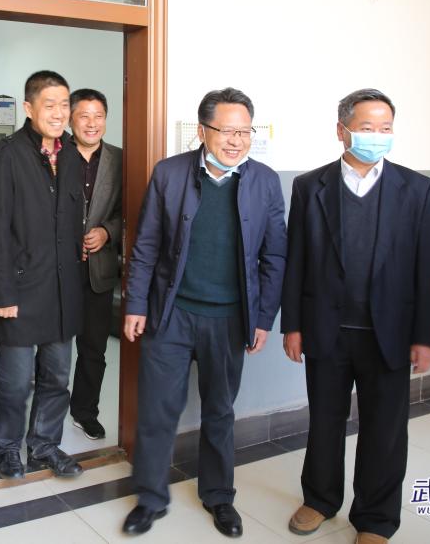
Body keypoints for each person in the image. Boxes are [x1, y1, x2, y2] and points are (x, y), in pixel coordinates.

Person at [122, 88, 287, 537]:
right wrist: (135, 304)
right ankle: (150, 499)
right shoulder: (169, 173)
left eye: (245, 132)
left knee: (219, 411)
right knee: (157, 410)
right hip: (171, 314)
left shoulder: (265, 181)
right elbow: (146, 244)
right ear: (202, 131)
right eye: (227, 131)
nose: (236, 141)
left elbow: (275, 256)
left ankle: (219, 497)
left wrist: (263, 318)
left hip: (230, 319)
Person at [282, 88, 430, 544]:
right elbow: (296, 261)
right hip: (326, 329)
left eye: (385, 128)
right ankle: (319, 499)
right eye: (367, 127)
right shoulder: (310, 186)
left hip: (389, 333)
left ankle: (375, 519)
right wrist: (292, 325)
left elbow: (427, 268)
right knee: (324, 421)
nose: (377, 136)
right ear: (342, 131)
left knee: (385, 430)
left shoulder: (417, 189)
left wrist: (426, 335)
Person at [0, 70, 85, 480]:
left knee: (57, 377)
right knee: (15, 382)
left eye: (65, 105)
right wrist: (3, 294)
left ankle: (44, 446)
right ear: (29, 108)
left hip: (62, 289)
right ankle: (8, 448)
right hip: (21, 290)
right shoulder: (7, 154)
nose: (59, 113)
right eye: (50, 105)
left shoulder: (72, 153)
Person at [67, 88, 122, 441]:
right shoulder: (53, 155)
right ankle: (44, 418)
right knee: (52, 351)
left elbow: (130, 212)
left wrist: (107, 232)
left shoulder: (120, 159)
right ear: (70, 119)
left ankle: (85, 411)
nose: (91, 123)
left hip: (98, 271)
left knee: (93, 349)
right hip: (57, 272)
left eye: (98, 116)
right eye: (84, 115)